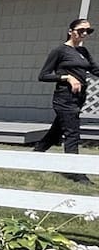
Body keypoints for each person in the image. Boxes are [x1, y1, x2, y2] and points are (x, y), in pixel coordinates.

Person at [33, 17, 99, 184]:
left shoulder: (83, 52)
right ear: (71, 31)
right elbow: (43, 76)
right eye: (81, 30)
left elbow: (95, 69)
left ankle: (34, 155)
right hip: (64, 98)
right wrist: (67, 77)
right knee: (72, 133)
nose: (84, 33)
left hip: (78, 98)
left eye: (88, 31)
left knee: (56, 131)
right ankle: (76, 173)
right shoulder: (60, 51)